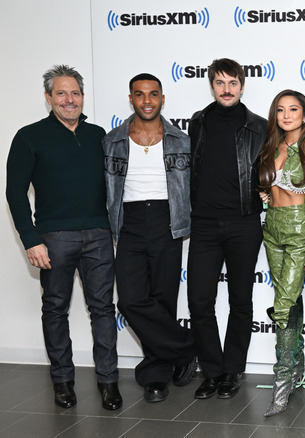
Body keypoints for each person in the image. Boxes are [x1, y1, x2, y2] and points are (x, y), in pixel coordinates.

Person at [6, 65, 122, 410]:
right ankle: (62, 382)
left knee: (103, 309)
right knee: (54, 309)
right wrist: (30, 239)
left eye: (74, 93)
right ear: (48, 98)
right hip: (53, 238)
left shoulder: (98, 135)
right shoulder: (29, 136)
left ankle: (108, 382)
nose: (69, 100)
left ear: (82, 97)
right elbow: (14, 193)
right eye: (61, 93)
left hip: (99, 235)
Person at [103, 73, 197, 403]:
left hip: (166, 221)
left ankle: (156, 375)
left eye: (153, 94)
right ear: (131, 98)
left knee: (162, 299)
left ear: (162, 98)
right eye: (140, 94)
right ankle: (187, 347)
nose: (146, 100)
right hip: (129, 222)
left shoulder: (181, 140)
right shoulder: (113, 140)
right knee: (129, 300)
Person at [187, 58, 267, 400]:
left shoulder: (259, 126)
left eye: (232, 83)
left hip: (243, 223)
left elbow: (274, 169)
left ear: (242, 85)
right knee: (199, 301)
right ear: (211, 85)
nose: (226, 89)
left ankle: (232, 371)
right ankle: (211, 370)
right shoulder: (197, 122)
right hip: (203, 224)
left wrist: (266, 191)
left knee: (240, 300)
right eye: (220, 83)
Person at [256, 90, 305, 417]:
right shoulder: (270, 146)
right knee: (291, 297)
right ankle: (295, 365)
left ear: (304, 114)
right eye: (281, 110)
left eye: (293, 109)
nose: (287, 115)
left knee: (282, 304)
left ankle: (282, 381)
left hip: (300, 231)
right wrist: (263, 196)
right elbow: (264, 188)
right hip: (272, 229)